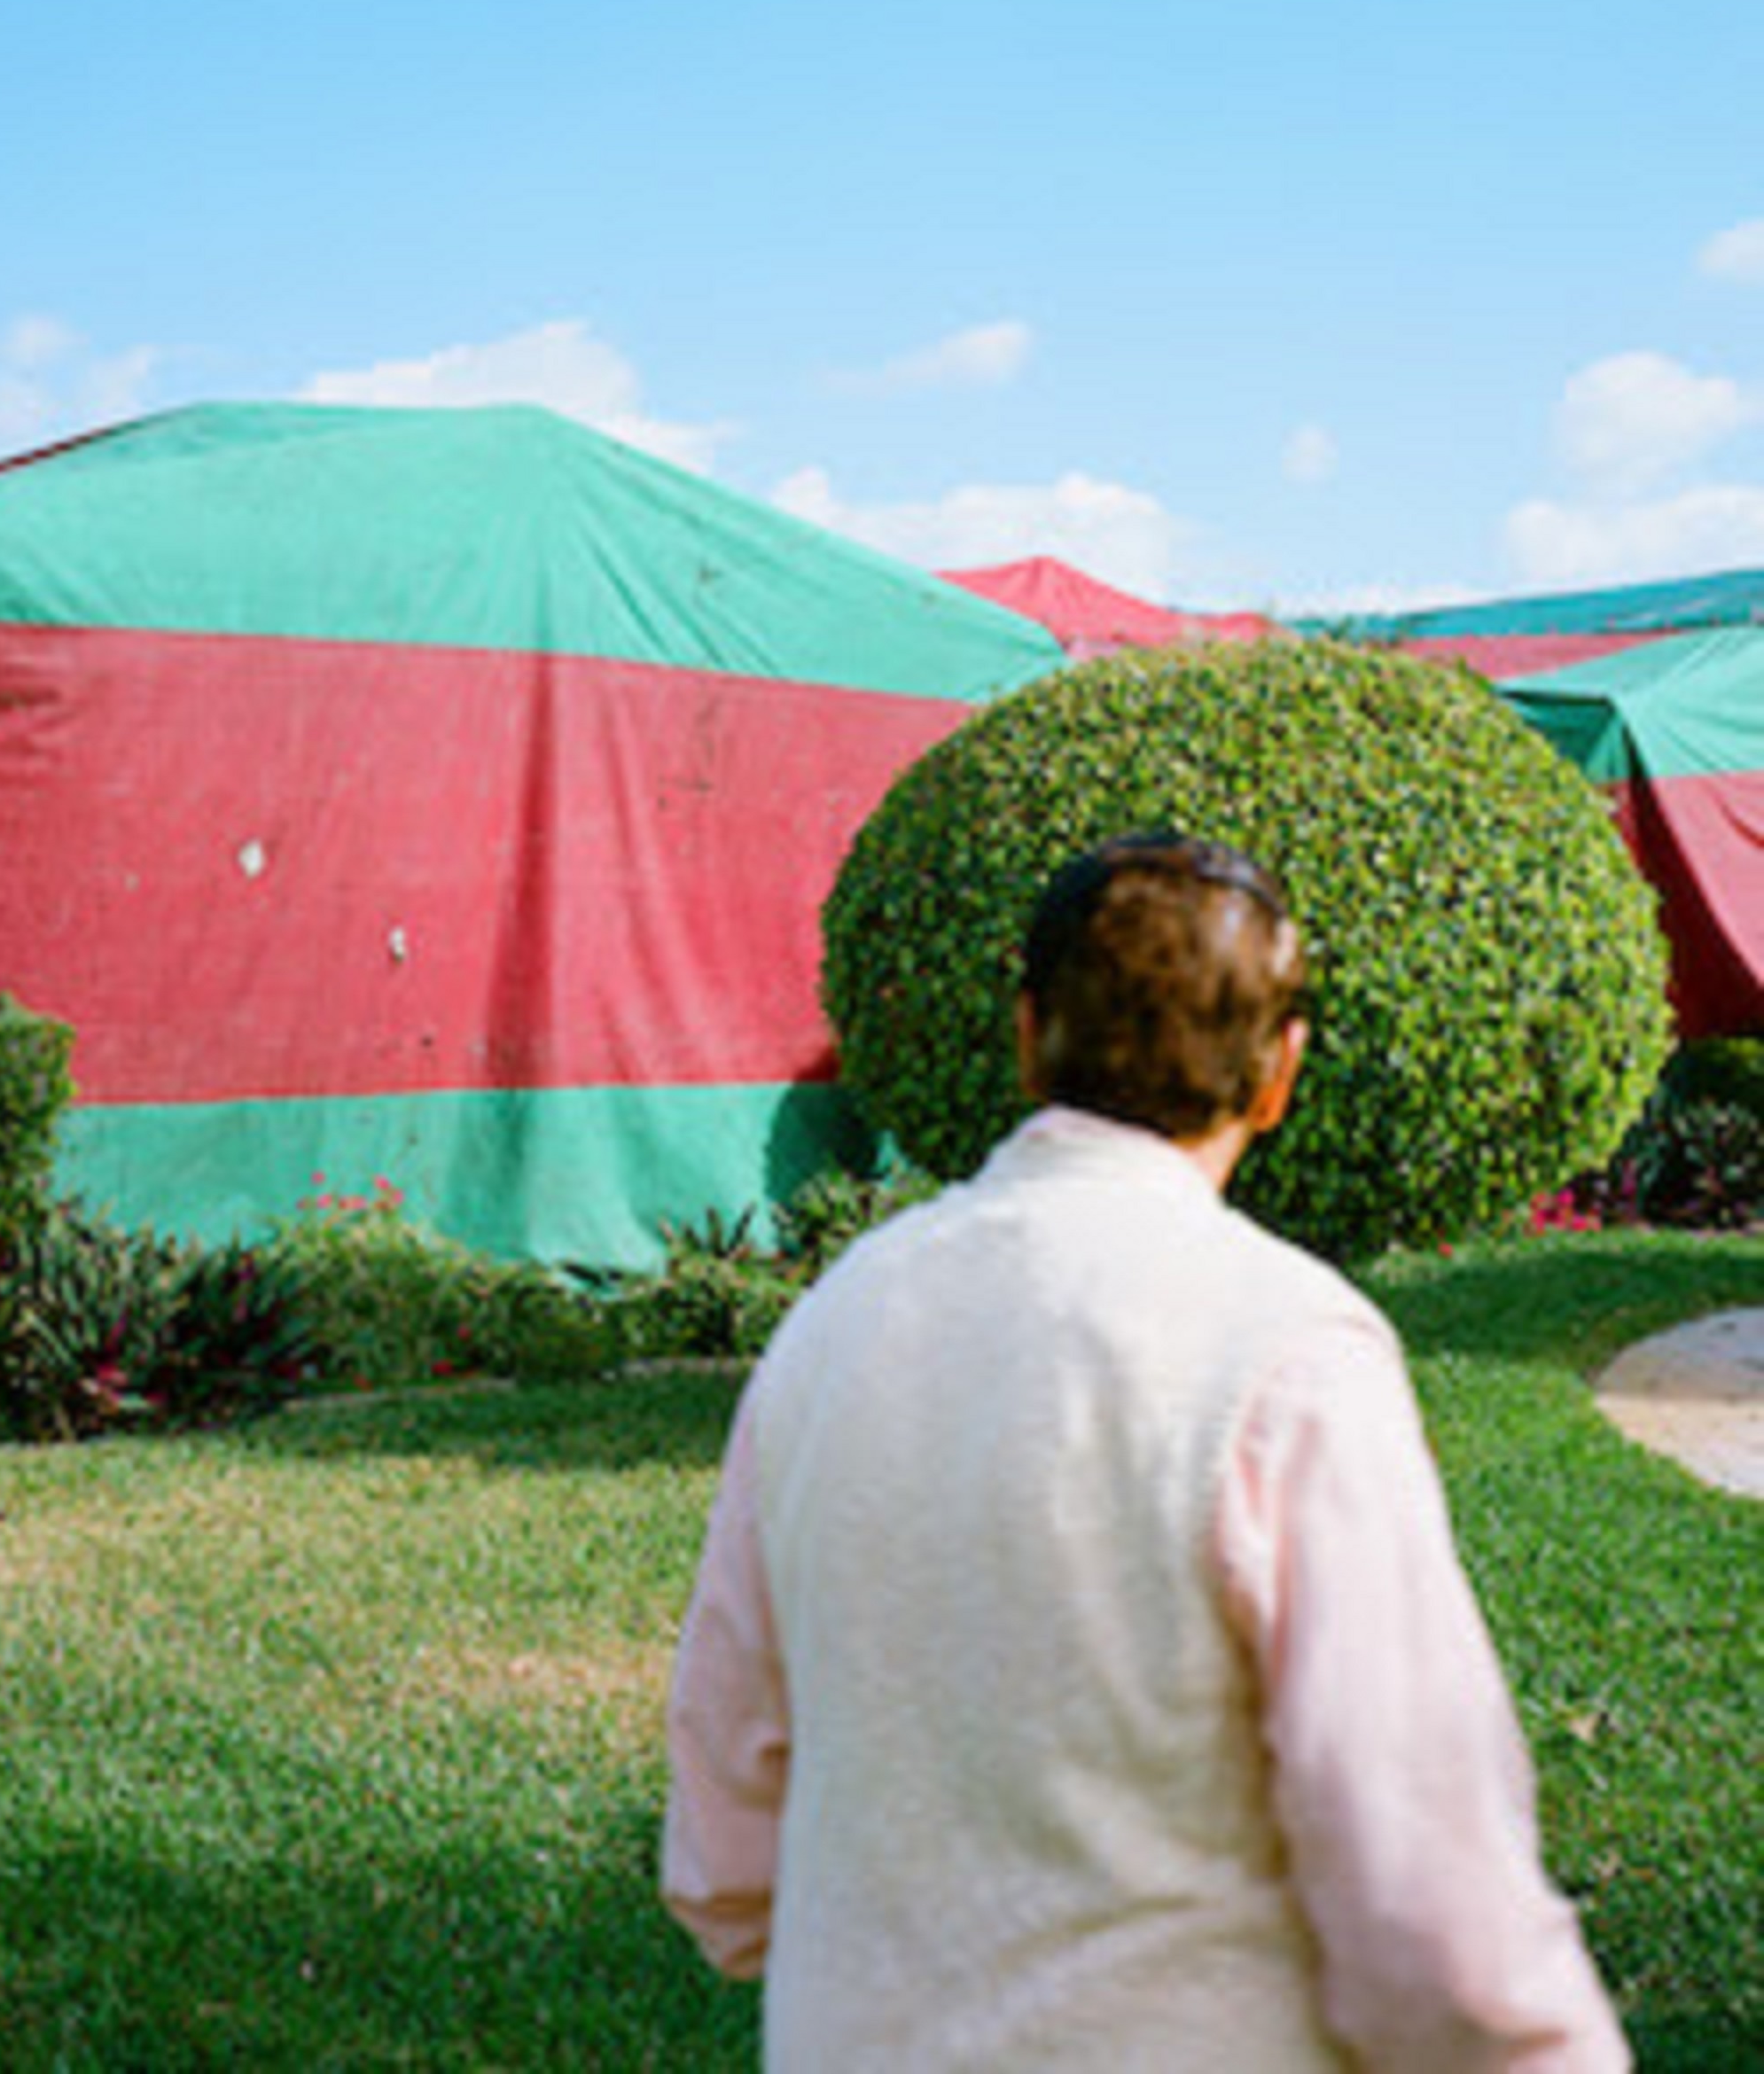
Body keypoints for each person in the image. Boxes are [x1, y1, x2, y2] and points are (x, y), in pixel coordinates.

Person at [660, 830, 1628, 2070]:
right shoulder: (1288, 1349)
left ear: (1027, 1035)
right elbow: (1420, 1868)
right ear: (1281, 1073)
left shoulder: (837, 1322)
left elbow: (727, 1823)